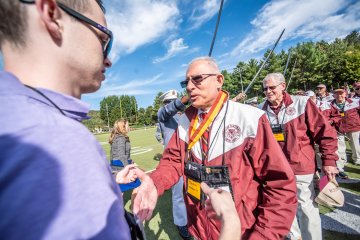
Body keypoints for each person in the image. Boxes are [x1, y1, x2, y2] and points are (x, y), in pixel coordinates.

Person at [0, 0, 132, 239]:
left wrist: (109, 184)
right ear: (52, 15)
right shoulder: (55, 140)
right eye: (103, 39)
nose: (108, 59)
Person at [133, 57, 297, 239]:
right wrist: (155, 183)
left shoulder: (250, 118)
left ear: (219, 80)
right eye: (186, 81)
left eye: (197, 79)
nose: (189, 86)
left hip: (243, 230)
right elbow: (173, 160)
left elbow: (279, 184)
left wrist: (263, 235)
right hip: (199, 228)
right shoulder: (185, 120)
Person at [259, 73, 338, 240]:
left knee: (305, 206)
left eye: (272, 87)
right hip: (275, 170)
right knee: (283, 205)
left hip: (301, 166)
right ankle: (295, 237)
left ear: (283, 86)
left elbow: (326, 133)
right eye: (265, 88)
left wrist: (329, 161)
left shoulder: (301, 103)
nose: (268, 91)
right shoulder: (260, 109)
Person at [156, 89, 191, 239]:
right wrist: (183, 100)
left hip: (191, 158)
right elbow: (166, 112)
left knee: (192, 192)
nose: (174, 105)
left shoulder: (185, 115)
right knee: (178, 195)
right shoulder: (163, 114)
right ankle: (181, 224)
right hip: (174, 160)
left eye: (174, 101)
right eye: (170, 103)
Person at [330, 88, 360, 166]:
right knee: (340, 146)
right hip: (338, 128)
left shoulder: (355, 102)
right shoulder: (330, 104)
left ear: (345, 94)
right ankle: (342, 161)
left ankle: (357, 159)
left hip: (353, 127)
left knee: (355, 145)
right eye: (337, 94)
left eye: (341, 93)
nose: (339, 95)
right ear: (334, 95)